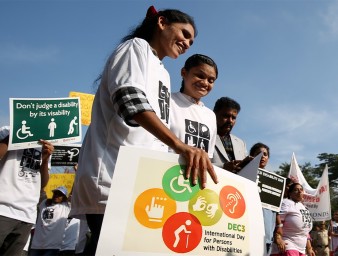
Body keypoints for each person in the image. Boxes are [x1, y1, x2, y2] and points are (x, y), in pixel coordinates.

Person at [70, 6, 218, 255]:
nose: (187, 43)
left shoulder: (161, 70)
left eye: (191, 41)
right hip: (112, 177)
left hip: (138, 184)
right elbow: (130, 101)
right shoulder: (135, 48)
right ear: (161, 22)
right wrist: (180, 145)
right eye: (184, 33)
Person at [0, 126, 54, 256]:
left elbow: (43, 183)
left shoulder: (45, 142)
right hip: (3, 209)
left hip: (26, 215)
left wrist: (45, 159)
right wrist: (13, 136)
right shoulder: (7, 130)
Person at [170, 54, 218, 158]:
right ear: (184, 72)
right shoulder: (167, 100)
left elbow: (208, 157)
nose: (205, 83)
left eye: (211, 80)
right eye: (200, 76)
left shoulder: (210, 116)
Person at [271, 183, 315, 256]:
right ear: (290, 193)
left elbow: (305, 230)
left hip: (302, 248)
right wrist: (278, 237)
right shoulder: (286, 203)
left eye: (301, 190)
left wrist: (309, 248)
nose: (299, 191)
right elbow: (276, 219)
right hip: (288, 243)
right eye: (296, 190)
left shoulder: (303, 207)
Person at [212, 96, 252, 173]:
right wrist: (223, 167)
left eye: (233, 118)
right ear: (214, 114)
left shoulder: (241, 143)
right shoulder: (204, 135)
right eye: (226, 116)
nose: (230, 121)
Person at [29, 186, 71, 256]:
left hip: (53, 246)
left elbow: (73, 197)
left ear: (64, 198)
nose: (56, 195)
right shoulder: (44, 203)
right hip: (36, 245)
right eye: (55, 193)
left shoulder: (66, 207)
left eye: (60, 194)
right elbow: (41, 190)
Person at [249, 142, 275, 255]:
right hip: (249, 229)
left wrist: (278, 227)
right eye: (258, 154)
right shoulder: (244, 173)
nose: (262, 156)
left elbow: (276, 208)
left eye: (265, 154)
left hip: (267, 233)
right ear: (252, 156)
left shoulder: (274, 181)